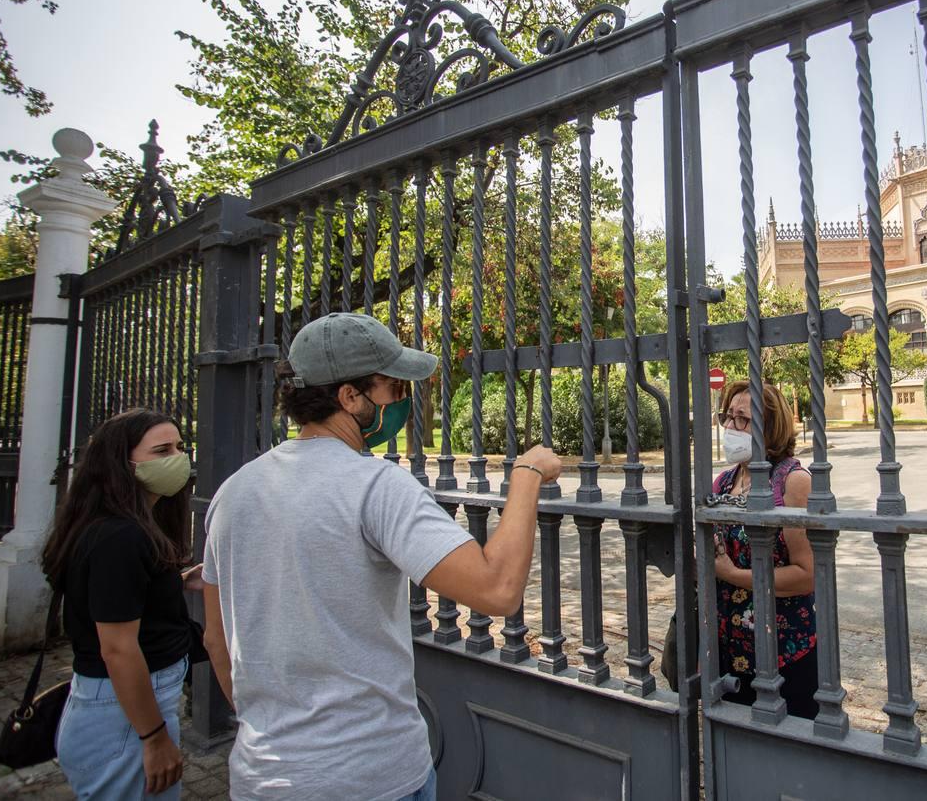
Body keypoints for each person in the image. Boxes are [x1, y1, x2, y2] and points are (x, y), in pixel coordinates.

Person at [202, 312, 561, 801]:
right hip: (369, 775)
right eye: (392, 389)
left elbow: (216, 639)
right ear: (350, 397)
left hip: (262, 774)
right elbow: (496, 588)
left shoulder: (234, 491)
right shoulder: (375, 485)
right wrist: (526, 474)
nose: (401, 403)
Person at [41, 408, 204, 799]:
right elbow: (117, 648)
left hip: (126, 706)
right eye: (161, 450)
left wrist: (175, 582)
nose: (178, 458)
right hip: (124, 715)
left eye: (180, 447)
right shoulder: (119, 537)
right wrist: (154, 738)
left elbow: (114, 600)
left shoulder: (119, 527)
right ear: (121, 464)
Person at [710, 380, 818, 719]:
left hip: (784, 651)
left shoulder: (792, 481)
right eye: (727, 417)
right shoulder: (724, 482)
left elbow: (806, 575)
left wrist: (734, 575)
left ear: (769, 427)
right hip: (731, 651)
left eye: (742, 419)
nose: (730, 427)